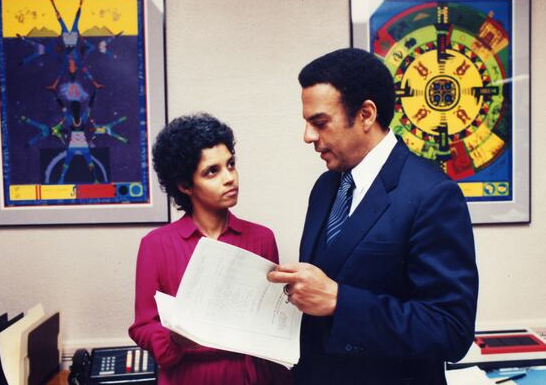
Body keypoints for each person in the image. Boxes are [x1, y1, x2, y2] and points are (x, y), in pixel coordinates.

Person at [267, 48, 479, 384]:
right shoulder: (325, 188)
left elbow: (450, 329)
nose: (308, 136)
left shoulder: (432, 194)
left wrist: (340, 300)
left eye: (319, 123)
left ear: (366, 114)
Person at [129, 113, 290, 384]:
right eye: (212, 171)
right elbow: (142, 326)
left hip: (252, 375)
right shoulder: (156, 245)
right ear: (184, 185)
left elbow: (271, 317)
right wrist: (173, 339)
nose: (230, 178)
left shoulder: (262, 238)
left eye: (231, 164)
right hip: (189, 375)